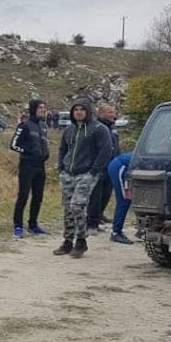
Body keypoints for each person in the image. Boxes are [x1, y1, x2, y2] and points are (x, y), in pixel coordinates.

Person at [54, 98, 113, 258]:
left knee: (77, 206)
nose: (78, 112)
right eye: (75, 109)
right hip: (68, 173)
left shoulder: (98, 129)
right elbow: (62, 149)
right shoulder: (69, 130)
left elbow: (106, 150)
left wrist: (94, 170)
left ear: (88, 111)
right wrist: (61, 167)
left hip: (86, 174)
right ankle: (67, 241)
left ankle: (81, 241)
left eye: (82, 109)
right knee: (68, 208)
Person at [10, 99, 50, 237]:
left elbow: (44, 144)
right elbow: (14, 145)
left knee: (38, 196)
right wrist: (28, 152)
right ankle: (18, 226)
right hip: (27, 165)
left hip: (40, 166)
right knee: (23, 195)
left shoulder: (44, 126)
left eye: (44, 108)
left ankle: (33, 225)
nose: (43, 110)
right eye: (40, 108)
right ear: (34, 109)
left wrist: (46, 154)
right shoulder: (25, 125)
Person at [87, 104, 122, 232]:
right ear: (101, 113)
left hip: (112, 166)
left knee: (106, 194)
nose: (113, 115)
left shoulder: (112, 127)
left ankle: (99, 216)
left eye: (114, 112)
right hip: (100, 166)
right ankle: (91, 222)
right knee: (95, 196)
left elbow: (116, 146)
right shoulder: (96, 127)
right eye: (110, 112)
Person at [107, 152, 134, 244]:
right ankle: (116, 232)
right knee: (124, 200)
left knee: (131, 199)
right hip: (120, 167)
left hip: (124, 167)